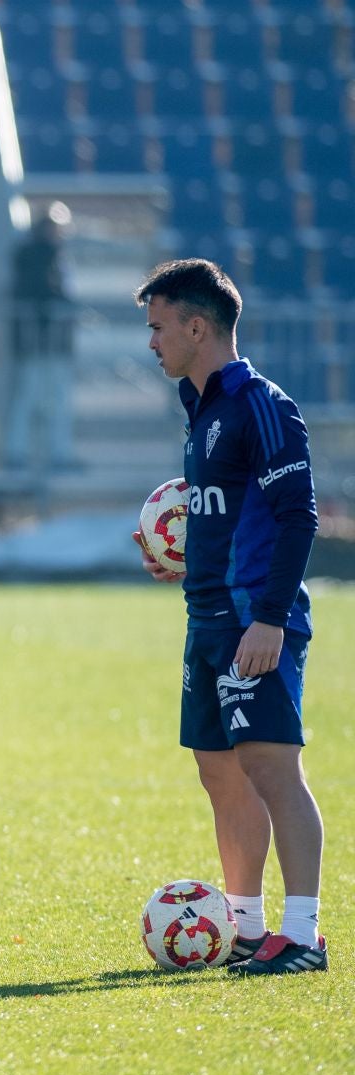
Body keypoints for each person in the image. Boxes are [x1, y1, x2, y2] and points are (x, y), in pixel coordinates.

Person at [131, 259, 326, 975]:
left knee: (273, 769)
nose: (151, 342)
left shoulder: (261, 404)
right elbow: (223, 515)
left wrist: (270, 619)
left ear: (196, 325)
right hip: (207, 619)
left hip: (254, 621)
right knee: (220, 772)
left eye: (157, 327)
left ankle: (302, 936)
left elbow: (298, 518)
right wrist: (173, 559)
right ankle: (245, 929)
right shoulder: (203, 411)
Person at [4, 203, 75, 471]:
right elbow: (42, 294)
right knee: (29, 396)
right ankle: (19, 454)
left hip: (51, 342)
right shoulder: (36, 257)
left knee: (54, 398)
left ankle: (56, 454)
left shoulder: (54, 256)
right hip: (36, 341)